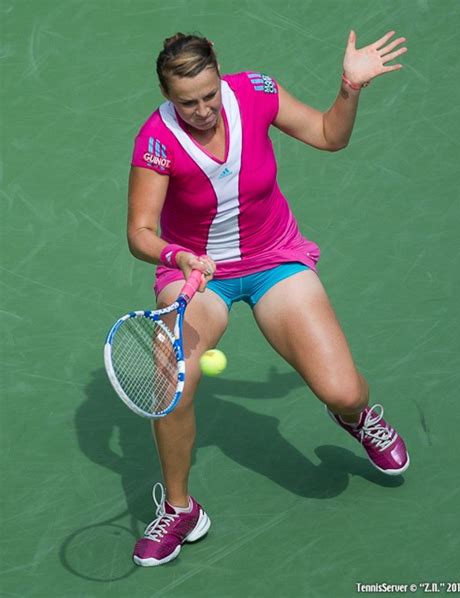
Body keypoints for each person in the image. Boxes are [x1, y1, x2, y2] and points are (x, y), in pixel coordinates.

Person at [127, 30, 409, 567]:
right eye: (187, 102)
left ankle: (357, 417)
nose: (203, 110)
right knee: (171, 380)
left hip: (274, 259)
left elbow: (330, 136)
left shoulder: (256, 92)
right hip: (198, 274)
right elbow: (140, 232)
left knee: (343, 390)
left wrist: (350, 87)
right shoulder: (157, 141)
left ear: (220, 76)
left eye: (209, 95)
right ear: (168, 97)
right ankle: (181, 508)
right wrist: (178, 257)